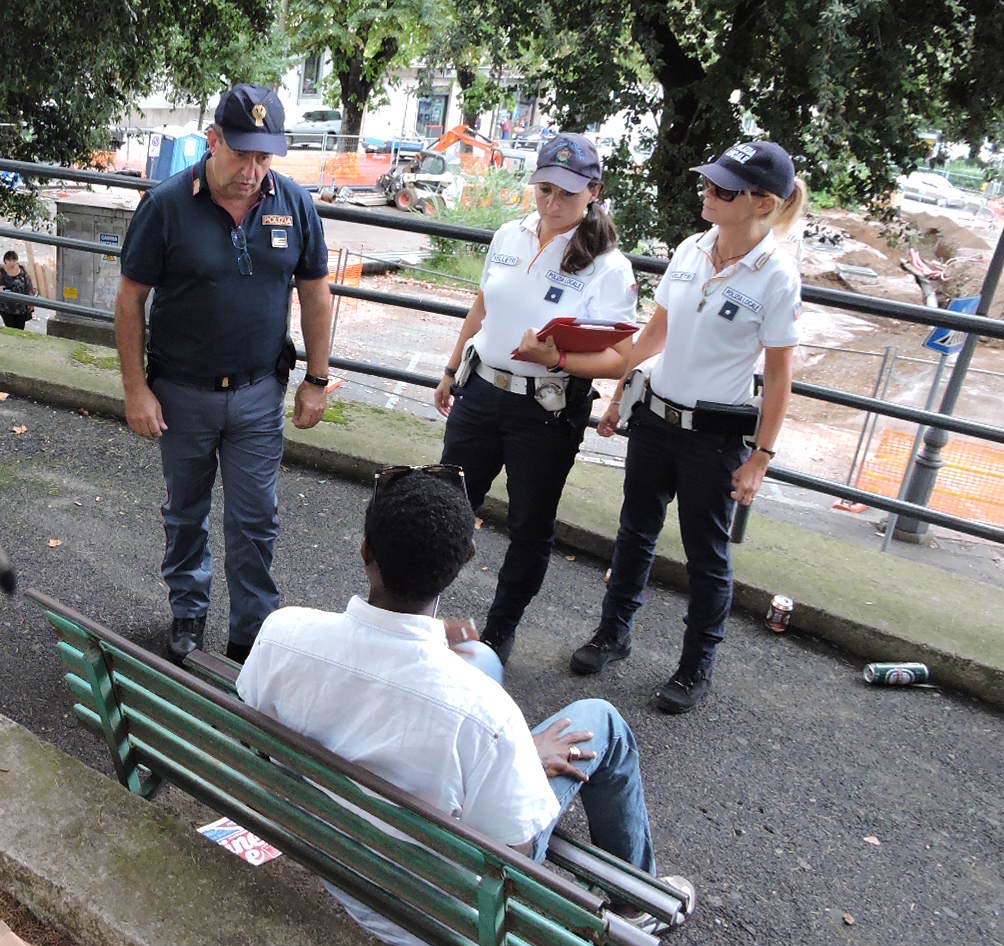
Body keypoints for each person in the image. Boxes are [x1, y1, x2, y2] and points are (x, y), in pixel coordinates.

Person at [237, 467, 681, 946]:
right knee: (602, 720)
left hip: (322, 840)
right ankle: (635, 906)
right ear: (464, 560)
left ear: (365, 549)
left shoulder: (284, 632)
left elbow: (253, 729)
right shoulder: (489, 717)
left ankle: (493, 770)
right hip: (432, 907)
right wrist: (524, 758)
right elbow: (515, 851)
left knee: (480, 658)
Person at [569, 141, 805, 714]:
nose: (708, 193)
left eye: (724, 189)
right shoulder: (691, 249)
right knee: (635, 532)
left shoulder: (776, 276)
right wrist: (620, 396)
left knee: (708, 556)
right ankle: (613, 634)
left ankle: (695, 665)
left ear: (763, 203)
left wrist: (761, 457)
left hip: (715, 436)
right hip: (656, 418)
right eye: (709, 182)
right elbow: (656, 333)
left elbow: (778, 378)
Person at [115, 84, 333, 666]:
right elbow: (130, 299)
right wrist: (136, 389)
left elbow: (315, 294)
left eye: (264, 157)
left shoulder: (294, 203)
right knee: (184, 511)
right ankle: (188, 610)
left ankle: (251, 629)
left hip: (260, 391)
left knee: (255, 518)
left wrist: (316, 378)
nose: (252, 170)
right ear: (213, 141)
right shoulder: (165, 205)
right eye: (242, 154)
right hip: (181, 392)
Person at [433, 134, 637, 665]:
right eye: (544, 189)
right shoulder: (509, 233)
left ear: (593, 191)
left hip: (544, 409)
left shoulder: (607, 266)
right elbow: (482, 308)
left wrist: (558, 361)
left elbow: (621, 357)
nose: (551, 203)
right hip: (481, 392)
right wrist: (452, 368)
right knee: (448, 504)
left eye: (566, 194)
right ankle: (417, 609)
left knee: (529, 522)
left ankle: (500, 630)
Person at [0, 251, 37, 330]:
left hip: (21, 307)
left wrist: (31, 302)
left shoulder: (22, 271)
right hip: (5, 307)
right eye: (9, 260)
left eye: (14, 260)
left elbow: (29, 286)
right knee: (10, 328)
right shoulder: (1, 271)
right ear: (5, 261)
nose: (12, 262)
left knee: (20, 328)